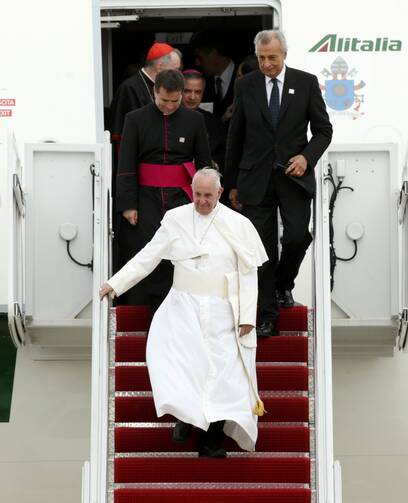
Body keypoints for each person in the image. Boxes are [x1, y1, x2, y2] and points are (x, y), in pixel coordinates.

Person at [100, 168, 268, 457]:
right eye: (197, 195)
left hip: (223, 311)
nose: (202, 201)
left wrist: (248, 318)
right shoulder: (175, 218)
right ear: (191, 190)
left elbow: (248, 273)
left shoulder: (238, 224)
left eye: (208, 196)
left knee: (223, 376)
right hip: (183, 307)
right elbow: (148, 257)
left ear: (219, 192)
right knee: (184, 366)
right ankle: (185, 418)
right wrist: (115, 283)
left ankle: (210, 440)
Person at [225, 30, 333, 337]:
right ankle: (268, 315)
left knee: (298, 237)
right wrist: (232, 182)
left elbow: (324, 130)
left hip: (293, 177)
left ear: (284, 54)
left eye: (272, 57)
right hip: (255, 179)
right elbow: (237, 135)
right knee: (262, 251)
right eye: (261, 58)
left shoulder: (306, 82)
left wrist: (306, 157)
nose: (267, 64)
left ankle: (284, 284)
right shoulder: (246, 85)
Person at [116, 69, 212, 308]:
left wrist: (205, 199)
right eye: (163, 101)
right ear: (154, 92)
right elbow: (126, 163)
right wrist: (128, 204)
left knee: (180, 250)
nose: (169, 106)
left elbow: (203, 163)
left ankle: (180, 303)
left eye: (174, 101)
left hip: (182, 196)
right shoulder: (135, 119)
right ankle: (146, 305)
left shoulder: (194, 120)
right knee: (149, 248)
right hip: (145, 196)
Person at [109, 42, 182, 150]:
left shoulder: (157, 86)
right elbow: (129, 133)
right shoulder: (130, 88)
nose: (178, 74)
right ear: (159, 67)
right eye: (175, 69)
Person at [182, 69, 226, 174]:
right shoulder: (167, 118)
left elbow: (223, 154)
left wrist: (213, 164)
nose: (192, 97)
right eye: (187, 91)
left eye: (197, 92)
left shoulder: (213, 122)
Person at [190, 31, 237, 122]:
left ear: (214, 54)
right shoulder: (201, 81)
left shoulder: (242, 76)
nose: (197, 63)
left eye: (200, 57)